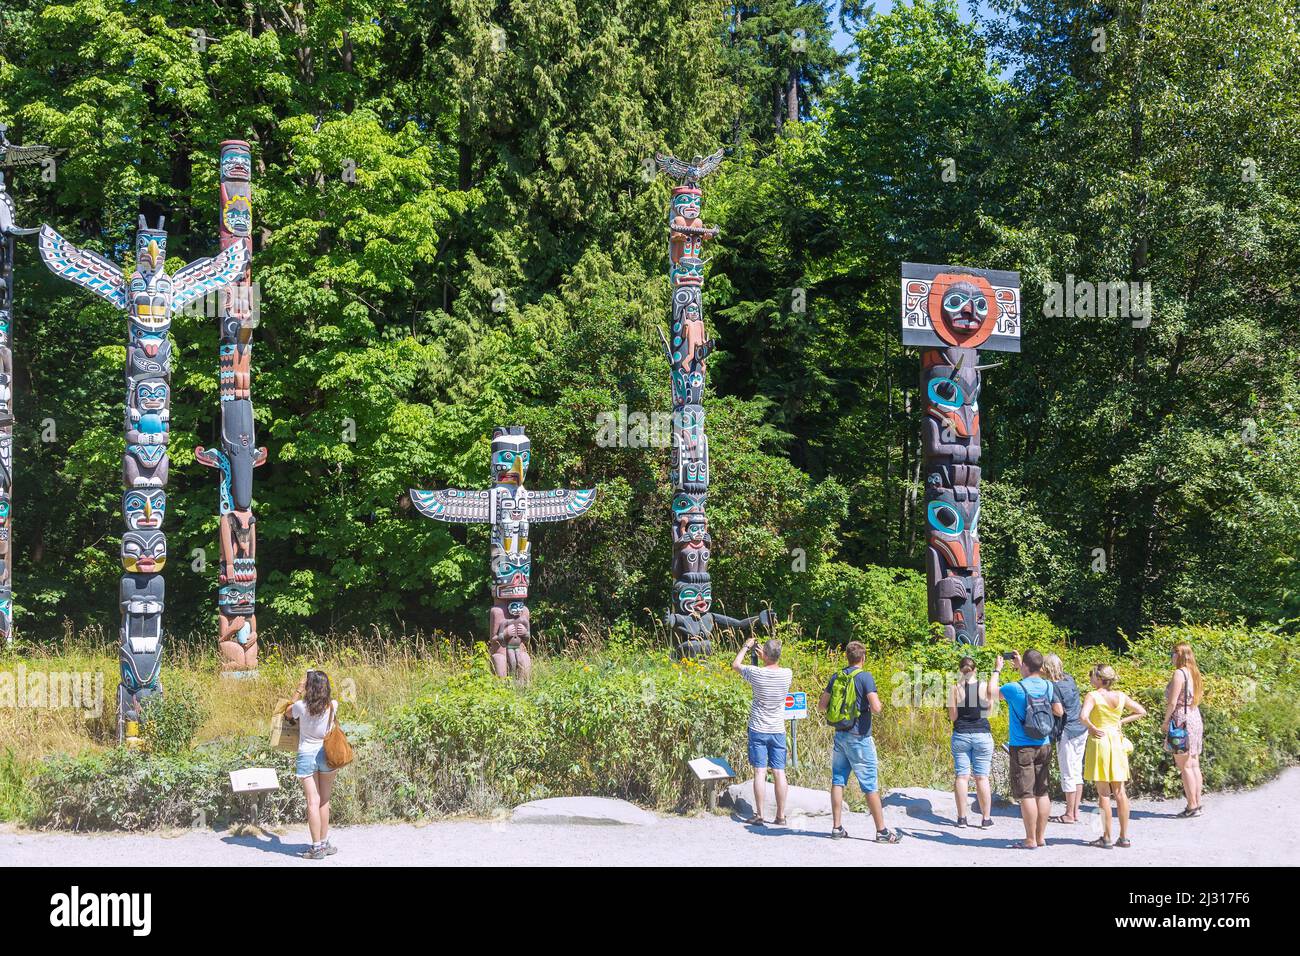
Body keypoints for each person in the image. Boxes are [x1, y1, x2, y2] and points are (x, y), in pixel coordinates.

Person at [817, 641, 900, 843]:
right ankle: (882, 832)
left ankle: (836, 828)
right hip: (860, 738)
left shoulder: (837, 676)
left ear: (847, 657)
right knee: (870, 784)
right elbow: (877, 707)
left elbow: (821, 706)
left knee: (838, 779)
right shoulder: (865, 677)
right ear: (863, 658)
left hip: (840, 736)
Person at [996, 649, 1064, 849]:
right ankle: (1040, 837)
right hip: (1043, 743)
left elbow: (992, 694)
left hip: (1022, 746)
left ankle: (1030, 839)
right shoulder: (1048, 686)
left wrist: (997, 671)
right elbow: (1059, 710)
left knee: (1026, 794)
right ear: (1041, 666)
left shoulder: (1014, 688)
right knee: (1042, 792)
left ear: (1024, 665)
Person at [1081, 663, 1148, 848]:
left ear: (1098, 678)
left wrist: (1093, 728)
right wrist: (1121, 721)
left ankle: (1106, 836)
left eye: (1092, 675)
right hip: (1116, 741)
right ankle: (1124, 836)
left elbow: (1083, 716)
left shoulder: (1093, 696)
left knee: (1103, 793)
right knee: (1120, 792)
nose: (1090, 678)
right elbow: (1141, 711)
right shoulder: (1120, 695)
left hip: (1100, 742)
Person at [732, 637, 792, 826]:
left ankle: (759, 814)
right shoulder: (787, 674)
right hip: (778, 729)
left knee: (760, 772)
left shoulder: (756, 673)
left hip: (758, 728)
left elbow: (736, 664)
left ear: (764, 654)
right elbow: (772, 666)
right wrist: (766, 657)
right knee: (779, 772)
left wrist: (746, 646)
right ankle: (780, 816)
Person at [287, 669, 340, 859]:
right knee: (324, 800)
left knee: (312, 801)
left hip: (306, 754)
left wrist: (299, 690)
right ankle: (324, 843)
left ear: (309, 686)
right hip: (326, 754)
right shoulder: (333, 705)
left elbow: (287, 712)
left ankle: (316, 848)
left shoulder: (301, 707)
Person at [947, 655, 996, 828]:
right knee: (982, 777)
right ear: (975, 670)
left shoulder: (954, 688)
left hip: (961, 734)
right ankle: (986, 819)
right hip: (982, 734)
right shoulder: (984, 686)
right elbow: (989, 712)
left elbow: (953, 716)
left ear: (960, 671)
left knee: (962, 776)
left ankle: (962, 818)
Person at [1043, 653, 1087, 825]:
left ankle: (1069, 813)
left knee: (1068, 773)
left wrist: (1046, 706)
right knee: (1077, 772)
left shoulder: (1053, 686)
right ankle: (1075, 811)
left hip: (1067, 731)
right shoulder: (1069, 679)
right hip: (1081, 728)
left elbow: (1059, 711)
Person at [1163, 642, 1204, 818]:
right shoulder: (1194, 672)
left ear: (1179, 655)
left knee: (1184, 765)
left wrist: (1165, 722)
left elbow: (1172, 702)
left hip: (1181, 719)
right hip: (1195, 716)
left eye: (1173, 654)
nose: (1171, 657)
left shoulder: (1179, 673)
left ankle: (1191, 805)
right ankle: (1197, 802)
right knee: (1194, 763)